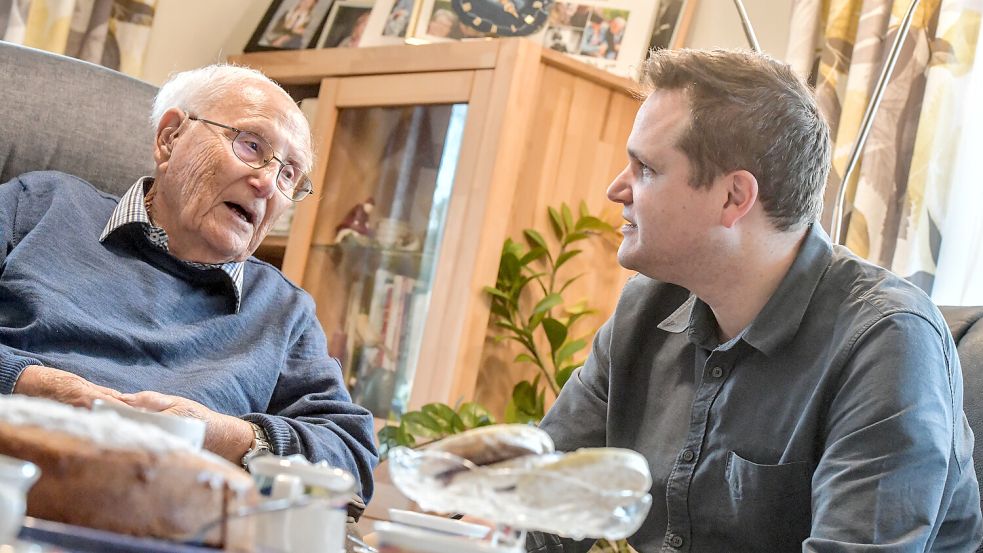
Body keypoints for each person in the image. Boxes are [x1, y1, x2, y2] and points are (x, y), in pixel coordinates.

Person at [527, 48, 982, 551]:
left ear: (733, 197)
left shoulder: (888, 341)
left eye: (646, 169)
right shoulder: (645, 311)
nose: (617, 188)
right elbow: (541, 517)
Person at [0, 64, 379, 508]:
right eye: (252, 146)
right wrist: (31, 385)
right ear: (170, 138)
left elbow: (351, 458)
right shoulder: (38, 206)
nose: (266, 185)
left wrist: (229, 436)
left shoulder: (283, 310)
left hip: (169, 524)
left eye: (289, 174)